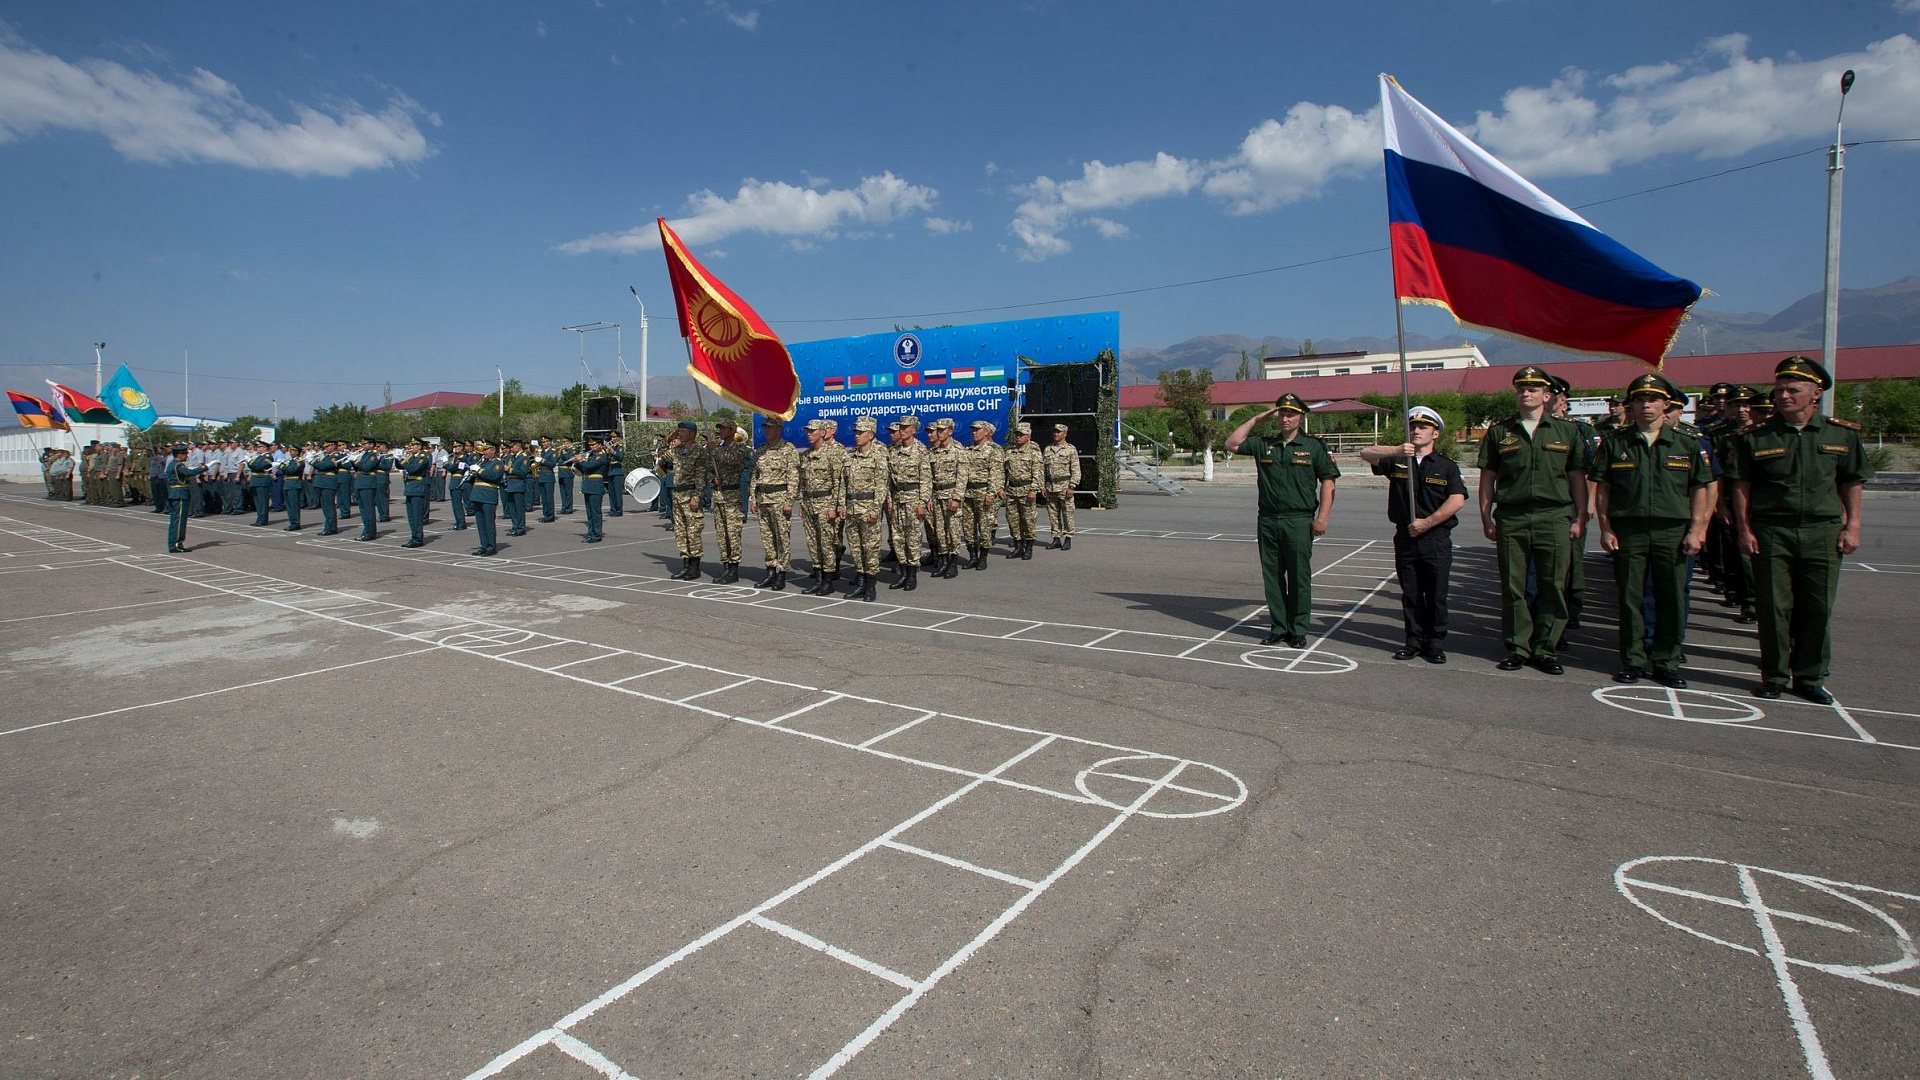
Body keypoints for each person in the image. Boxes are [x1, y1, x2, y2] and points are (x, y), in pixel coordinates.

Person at [1726, 355, 1872, 704]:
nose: (1784, 396)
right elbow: (1741, 486)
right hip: (1772, 530)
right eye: (1779, 390)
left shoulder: (1841, 434)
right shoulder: (1755, 437)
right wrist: (1744, 530)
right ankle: (1775, 674)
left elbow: (1851, 482)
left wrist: (1853, 525)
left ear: (1816, 393)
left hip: (1822, 531)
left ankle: (1809, 677)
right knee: (1774, 607)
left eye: (1793, 390)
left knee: (1817, 607)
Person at [1594, 374, 1715, 688]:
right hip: (1630, 531)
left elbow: (1701, 490)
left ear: (1666, 405)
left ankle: (1666, 662)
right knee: (1630, 598)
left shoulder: (1687, 444)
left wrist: (1697, 530)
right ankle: (1633, 660)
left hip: (1672, 532)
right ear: (1631, 405)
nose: (1645, 405)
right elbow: (1604, 491)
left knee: (1671, 598)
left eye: (1652, 400)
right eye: (1639, 400)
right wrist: (1605, 529)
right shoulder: (1615, 444)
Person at [1477, 366, 1589, 675]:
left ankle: (1546, 649)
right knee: (1513, 587)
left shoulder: (1567, 432)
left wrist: (1580, 516)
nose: (1526, 393)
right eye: (1521, 389)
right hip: (1512, 517)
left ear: (1547, 395)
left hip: (1554, 516)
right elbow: (1488, 479)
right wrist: (1485, 517)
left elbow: (1576, 477)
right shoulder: (1501, 432)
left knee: (1552, 585)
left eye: (1533, 389)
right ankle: (1518, 647)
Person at [1224, 392, 1340, 649]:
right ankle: (1278, 627)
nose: (1285, 418)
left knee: (1299, 576)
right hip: (1268, 519)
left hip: (1298, 520)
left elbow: (1328, 482)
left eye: (1291, 414)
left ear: (1301, 417)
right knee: (1273, 576)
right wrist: (1256, 418)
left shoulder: (1313, 446)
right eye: (1281, 413)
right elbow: (1231, 444)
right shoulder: (1264, 443)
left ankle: (1298, 629)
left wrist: (1322, 517)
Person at [1358, 406, 1467, 663]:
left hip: (1435, 537)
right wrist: (1396, 450)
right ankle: (1413, 641)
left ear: (1436, 433)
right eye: (1413, 427)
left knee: (1436, 593)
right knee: (1411, 592)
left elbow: (1457, 499)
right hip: (1406, 536)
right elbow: (1365, 453)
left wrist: (1428, 522)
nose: (1417, 430)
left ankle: (1434, 643)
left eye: (1423, 427)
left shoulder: (1446, 466)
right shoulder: (1398, 461)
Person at [842, 416, 890, 601]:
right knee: (856, 548)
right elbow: (842, 484)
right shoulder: (850, 456)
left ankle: (870, 586)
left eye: (860, 432)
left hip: (868, 508)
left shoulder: (878, 457)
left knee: (870, 549)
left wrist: (875, 509)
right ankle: (860, 582)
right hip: (852, 508)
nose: (857, 435)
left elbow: (881, 486)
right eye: (856, 432)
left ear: (870, 435)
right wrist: (842, 505)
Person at [797, 419, 847, 594]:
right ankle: (818, 578)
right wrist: (803, 503)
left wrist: (835, 506)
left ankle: (828, 580)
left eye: (812, 431)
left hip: (825, 503)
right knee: (813, 543)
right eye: (808, 431)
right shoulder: (806, 456)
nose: (809, 434)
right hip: (810, 503)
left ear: (822, 433)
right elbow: (803, 483)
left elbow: (838, 483)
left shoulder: (832, 454)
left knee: (826, 544)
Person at [659, 421, 713, 580]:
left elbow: (701, 477)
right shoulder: (677, 450)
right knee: (681, 532)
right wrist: (671, 437)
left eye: (682, 431)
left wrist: (697, 497)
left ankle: (694, 567)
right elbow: (661, 456)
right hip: (678, 496)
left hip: (691, 495)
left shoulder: (699, 452)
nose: (679, 434)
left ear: (692, 433)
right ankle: (685, 564)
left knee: (693, 532)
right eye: (679, 431)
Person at [750, 417, 800, 589]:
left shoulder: (788, 450)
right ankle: (770, 570)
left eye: (770, 428)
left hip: (779, 499)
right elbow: (755, 477)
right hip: (763, 499)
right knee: (767, 538)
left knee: (782, 538)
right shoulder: (761, 450)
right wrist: (753, 498)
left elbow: (793, 477)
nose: (767, 431)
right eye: (765, 428)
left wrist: (789, 501)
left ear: (779, 429)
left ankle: (781, 573)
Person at [884, 418, 931, 589]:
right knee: (898, 538)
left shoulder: (921, 451)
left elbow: (926, 480)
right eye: (901, 427)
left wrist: (922, 502)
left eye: (905, 428)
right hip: (897, 500)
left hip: (913, 499)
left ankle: (911, 574)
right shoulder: (894, 452)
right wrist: (889, 499)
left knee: (912, 538)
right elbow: (888, 479)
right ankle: (903, 572)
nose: (901, 430)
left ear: (913, 430)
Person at [924, 418, 971, 579]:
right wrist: (928, 497)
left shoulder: (958, 450)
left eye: (942, 430)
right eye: (937, 430)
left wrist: (957, 498)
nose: (938, 433)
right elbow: (928, 477)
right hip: (937, 497)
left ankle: (952, 564)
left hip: (951, 495)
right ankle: (943, 562)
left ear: (950, 431)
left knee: (953, 531)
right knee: (940, 532)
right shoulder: (933, 453)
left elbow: (962, 476)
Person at [710, 418, 753, 583]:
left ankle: (734, 568)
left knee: (733, 533)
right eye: (720, 428)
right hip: (719, 495)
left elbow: (731, 460)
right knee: (721, 534)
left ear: (732, 430)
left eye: (724, 428)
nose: (720, 431)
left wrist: (714, 451)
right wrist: (712, 479)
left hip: (732, 495)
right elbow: (708, 468)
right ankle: (726, 566)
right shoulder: (718, 450)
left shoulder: (739, 448)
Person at [961, 420, 1004, 569]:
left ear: (986, 432)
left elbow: (995, 474)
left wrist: (991, 494)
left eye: (977, 430)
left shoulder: (993, 450)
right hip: (967, 493)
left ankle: (983, 557)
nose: (974, 432)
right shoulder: (967, 449)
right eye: (973, 429)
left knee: (985, 527)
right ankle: (972, 556)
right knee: (968, 527)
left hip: (984, 492)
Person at [1000, 422, 1043, 560]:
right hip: (1012, 490)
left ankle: (1029, 548)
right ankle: (1018, 546)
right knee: (1013, 520)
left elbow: (1038, 473)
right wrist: (1001, 487)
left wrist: (1033, 490)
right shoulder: (1009, 452)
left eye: (1021, 435)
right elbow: (1004, 472)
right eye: (1017, 434)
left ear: (1028, 436)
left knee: (1028, 520)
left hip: (1026, 490)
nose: (1018, 437)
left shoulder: (1034, 453)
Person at [1041, 423, 1082, 550]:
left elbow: (1076, 469)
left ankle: (1068, 538)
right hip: (1050, 486)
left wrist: (1072, 486)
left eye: (1058, 432)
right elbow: (1042, 469)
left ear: (1065, 434)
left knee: (1067, 513)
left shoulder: (1070, 449)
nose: (1055, 434)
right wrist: (1042, 486)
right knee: (1053, 514)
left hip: (1065, 486)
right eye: (1054, 432)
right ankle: (1056, 538)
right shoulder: (1048, 449)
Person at [161, 444, 206, 553]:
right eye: (185, 454)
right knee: (179, 521)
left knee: (176, 520)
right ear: (179, 454)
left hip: (177, 493)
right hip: (180, 493)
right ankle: (176, 544)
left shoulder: (173, 464)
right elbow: (189, 473)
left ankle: (174, 543)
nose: (187, 456)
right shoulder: (178, 465)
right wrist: (204, 467)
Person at [465, 441, 504, 556]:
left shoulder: (498, 463)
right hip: (477, 495)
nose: (484, 452)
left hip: (488, 495)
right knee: (480, 523)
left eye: (486, 450)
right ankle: (484, 545)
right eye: (483, 450)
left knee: (488, 522)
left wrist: (479, 470)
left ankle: (491, 546)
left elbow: (493, 476)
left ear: (493, 450)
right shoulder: (482, 462)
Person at [573, 435, 609, 542]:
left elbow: (589, 466)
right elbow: (583, 469)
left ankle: (596, 534)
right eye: (590, 445)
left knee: (595, 512)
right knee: (589, 512)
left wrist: (581, 461)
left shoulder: (601, 456)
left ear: (599, 444)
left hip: (595, 485)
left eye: (594, 445)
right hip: (588, 485)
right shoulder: (591, 455)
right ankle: (591, 532)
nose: (592, 447)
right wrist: (577, 462)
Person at [398, 438, 432, 547]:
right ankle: (414, 537)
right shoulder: (411, 457)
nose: (411, 447)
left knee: (417, 516)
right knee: (411, 516)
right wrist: (397, 459)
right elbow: (400, 466)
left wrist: (405, 462)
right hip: (410, 488)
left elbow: (413, 469)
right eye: (411, 445)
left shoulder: (423, 458)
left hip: (417, 487)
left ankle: (418, 539)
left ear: (419, 447)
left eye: (413, 445)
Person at [351, 438, 386, 541]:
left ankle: (370, 533)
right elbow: (357, 468)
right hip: (361, 482)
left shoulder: (374, 455)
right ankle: (366, 531)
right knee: (363, 510)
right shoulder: (364, 454)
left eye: (365, 444)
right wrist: (353, 461)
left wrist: (355, 461)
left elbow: (367, 467)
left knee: (368, 510)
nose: (362, 445)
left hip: (368, 483)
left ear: (371, 444)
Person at [276, 447, 307, 531]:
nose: (291, 452)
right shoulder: (290, 460)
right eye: (290, 451)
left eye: (293, 451)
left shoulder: (300, 461)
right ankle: (292, 522)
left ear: (297, 452)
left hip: (294, 483)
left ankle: (295, 523)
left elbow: (292, 470)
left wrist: (281, 466)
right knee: (289, 505)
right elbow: (286, 471)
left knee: (294, 505)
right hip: (288, 483)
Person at [246, 441, 276, 526]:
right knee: (258, 502)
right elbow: (254, 466)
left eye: (260, 447)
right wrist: (252, 463)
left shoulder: (268, 456)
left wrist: (250, 462)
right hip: (256, 480)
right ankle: (259, 518)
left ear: (265, 448)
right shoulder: (259, 457)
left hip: (262, 480)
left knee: (262, 501)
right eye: (258, 447)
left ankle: (263, 519)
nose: (258, 449)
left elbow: (259, 466)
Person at [534, 438, 559, 523]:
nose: (543, 443)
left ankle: (550, 516)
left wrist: (542, 460)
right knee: (544, 498)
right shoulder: (543, 452)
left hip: (548, 476)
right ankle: (546, 514)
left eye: (545, 442)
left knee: (549, 497)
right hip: (541, 476)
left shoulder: (553, 451)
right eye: (542, 442)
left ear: (549, 442)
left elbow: (552, 464)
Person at [605, 432, 627, 517]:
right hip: (610, 471)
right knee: (611, 492)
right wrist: (607, 452)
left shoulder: (620, 447)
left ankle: (618, 510)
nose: (612, 439)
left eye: (614, 437)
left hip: (617, 471)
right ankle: (613, 509)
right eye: (611, 437)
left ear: (618, 438)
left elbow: (620, 457)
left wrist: (612, 451)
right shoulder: (612, 446)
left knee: (617, 492)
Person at [555, 436, 577, 515]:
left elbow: (569, 459)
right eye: (563, 442)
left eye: (565, 442)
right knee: (562, 492)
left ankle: (569, 508)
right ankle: (564, 507)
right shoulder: (562, 450)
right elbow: (557, 460)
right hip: (561, 473)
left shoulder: (573, 450)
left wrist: (564, 452)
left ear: (569, 442)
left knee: (568, 492)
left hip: (568, 473)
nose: (563, 443)